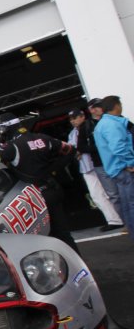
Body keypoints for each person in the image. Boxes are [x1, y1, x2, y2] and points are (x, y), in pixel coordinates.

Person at [0, 112, 79, 252]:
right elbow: (70, 149)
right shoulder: (42, 138)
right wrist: (53, 170)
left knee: (42, 240)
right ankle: (77, 262)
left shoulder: (12, 147)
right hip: (52, 189)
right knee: (63, 234)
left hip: (35, 198)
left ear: (5, 128)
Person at [67, 109, 124, 231]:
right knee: (96, 195)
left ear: (82, 116)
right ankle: (114, 220)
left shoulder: (91, 126)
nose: (73, 121)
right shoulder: (72, 134)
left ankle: (123, 217)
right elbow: (70, 149)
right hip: (86, 168)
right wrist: (75, 152)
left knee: (113, 192)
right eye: (71, 119)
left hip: (100, 164)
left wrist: (81, 149)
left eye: (75, 118)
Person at [93, 96, 134, 238]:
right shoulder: (112, 124)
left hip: (116, 170)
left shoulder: (101, 125)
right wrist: (131, 163)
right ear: (116, 106)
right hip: (124, 169)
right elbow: (118, 148)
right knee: (131, 204)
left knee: (127, 205)